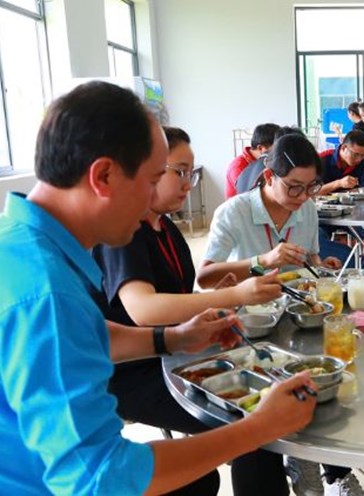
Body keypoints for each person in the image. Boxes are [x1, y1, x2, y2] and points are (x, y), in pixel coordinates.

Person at [0, 81, 316, 494]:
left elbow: (80, 336)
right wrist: (258, 428)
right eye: (153, 180)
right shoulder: (46, 293)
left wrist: (173, 338)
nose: (161, 196)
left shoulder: (24, 242)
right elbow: (102, 478)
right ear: (104, 176)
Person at [92, 126, 293, 495]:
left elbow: (186, 294)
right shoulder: (124, 234)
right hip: (136, 373)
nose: (188, 183)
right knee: (251, 423)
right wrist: (232, 297)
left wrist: (216, 306)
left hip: (176, 353)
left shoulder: (165, 228)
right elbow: (144, 309)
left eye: (190, 172)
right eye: (177, 171)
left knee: (269, 382)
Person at [198, 134, 342, 289]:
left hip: (297, 304)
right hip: (248, 307)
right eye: (295, 187)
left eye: (311, 186)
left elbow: (311, 256)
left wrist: (320, 265)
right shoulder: (233, 212)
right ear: (269, 177)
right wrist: (263, 261)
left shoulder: (307, 208)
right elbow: (204, 278)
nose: (303, 196)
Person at [226, 122, 280, 198]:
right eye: (276, 148)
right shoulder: (238, 166)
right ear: (261, 148)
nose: (278, 152)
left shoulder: (267, 161)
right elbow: (249, 196)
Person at [318, 130, 364, 195]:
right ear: (344, 147)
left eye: (362, 155)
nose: (359, 159)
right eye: (355, 154)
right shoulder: (321, 160)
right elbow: (314, 192)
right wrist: (339, 183)